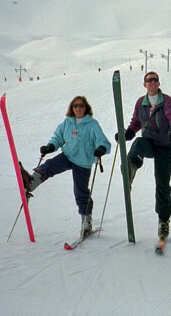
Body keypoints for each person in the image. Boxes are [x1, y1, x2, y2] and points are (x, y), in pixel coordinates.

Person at [21, 96, 111, 236]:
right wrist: (50, 147)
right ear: (72, 108)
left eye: (81, 105)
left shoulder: (92, 124)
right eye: (75, 106)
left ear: (86, 108)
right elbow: (58, 137)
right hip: (68, 155)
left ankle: (86, 222)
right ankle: (31, 182)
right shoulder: (67, 123)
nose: (78, 108)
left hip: (83, 161)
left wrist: (101, 149)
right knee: (49, 165)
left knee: (80, 191)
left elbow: (103, 141)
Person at [116, 71, 171, 239]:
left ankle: (163, 221)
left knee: (162, 183)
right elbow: (136, 122)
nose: (152, 83)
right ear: (144, 84)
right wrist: (127, 134)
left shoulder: (165, 100)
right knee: (138, 143)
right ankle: (129, 170)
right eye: (149, 80)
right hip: (149, 142)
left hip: (165, 145)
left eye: (155, 80)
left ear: (158, 83)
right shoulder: (141, 102)